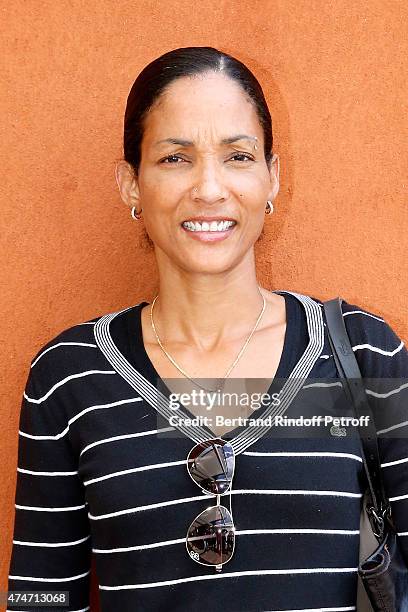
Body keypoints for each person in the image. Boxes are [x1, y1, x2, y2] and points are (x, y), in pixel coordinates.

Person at [7, 46, 408, 612]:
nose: (210, 188)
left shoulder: (364, 358)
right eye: (176, 158)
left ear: (272, 176)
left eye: (238, 156)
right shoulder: (70, 379)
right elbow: (40, 598)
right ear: (130, 184)